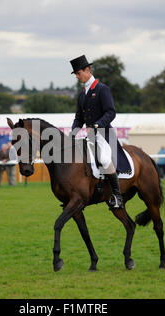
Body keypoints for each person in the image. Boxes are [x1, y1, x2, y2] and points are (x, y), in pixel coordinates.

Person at [69, 54, 123, 208]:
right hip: (91, 136)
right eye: (76, 75)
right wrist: (72, 133)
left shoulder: (102, 89)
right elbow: (79, 118)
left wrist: (98, 125)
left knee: (105, 160)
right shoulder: (82, 95)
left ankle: (117, 196)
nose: (78, 77)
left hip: (105, 134)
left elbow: (111, 112)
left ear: (87, 70)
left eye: (79, 73)